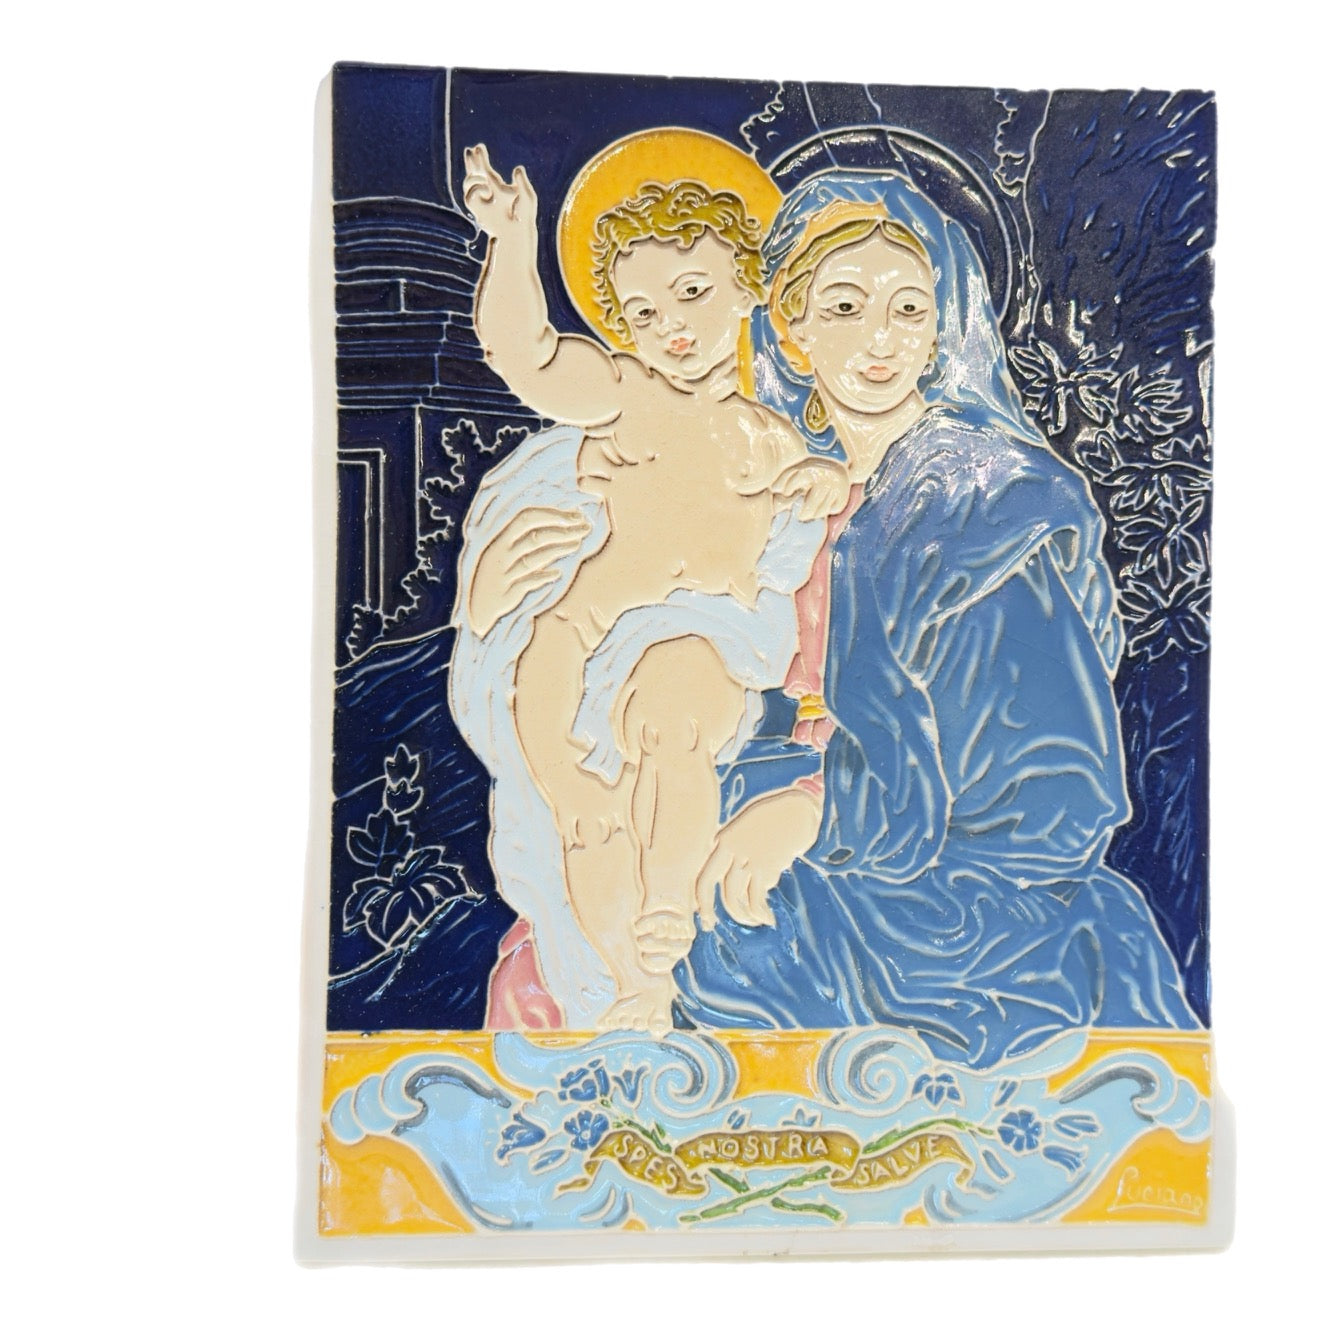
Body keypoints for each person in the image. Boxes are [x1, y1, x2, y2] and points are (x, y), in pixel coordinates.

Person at [673, 172, 1197, 1065]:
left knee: (739, 950)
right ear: (791, 333)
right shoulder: (785, 500)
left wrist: (815, 810)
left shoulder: (984, 504)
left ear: (939, 329)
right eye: (844, 308)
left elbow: (1051, 786)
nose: (880, 339)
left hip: (960, 897)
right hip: (798, 831)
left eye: (908, 309)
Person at [452, 145, 844, 1031]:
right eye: (642, 311)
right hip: (582, 631)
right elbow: (524, 353)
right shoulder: (625, 393)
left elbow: (805, 526)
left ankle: (666, 913)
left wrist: (816, 482)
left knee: (675, 716)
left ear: (744, 286)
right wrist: (509, 242)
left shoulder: (771, 435)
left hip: (699, 637)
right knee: (586, 814)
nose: (671, 326)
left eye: (692, 292)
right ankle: (622, 984)